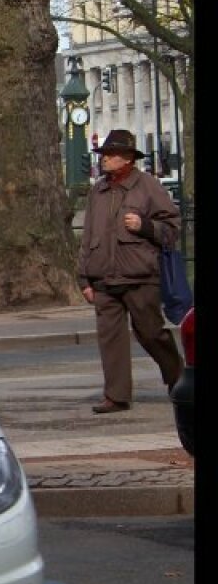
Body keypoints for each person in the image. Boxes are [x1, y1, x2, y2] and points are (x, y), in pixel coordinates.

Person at [77, 129, 183, 414]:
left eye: (110, 155)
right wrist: (84, 279)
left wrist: (145, 226)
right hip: (104, 278)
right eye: (104, 155)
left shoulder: (148, 186)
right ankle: (117, 395)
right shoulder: (97, 191)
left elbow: (173, 229)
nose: (104, 160)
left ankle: (179, 380)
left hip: (140, 276)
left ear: (126, 159)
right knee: (110, 338)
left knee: (151, 333)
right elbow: (87, 237)